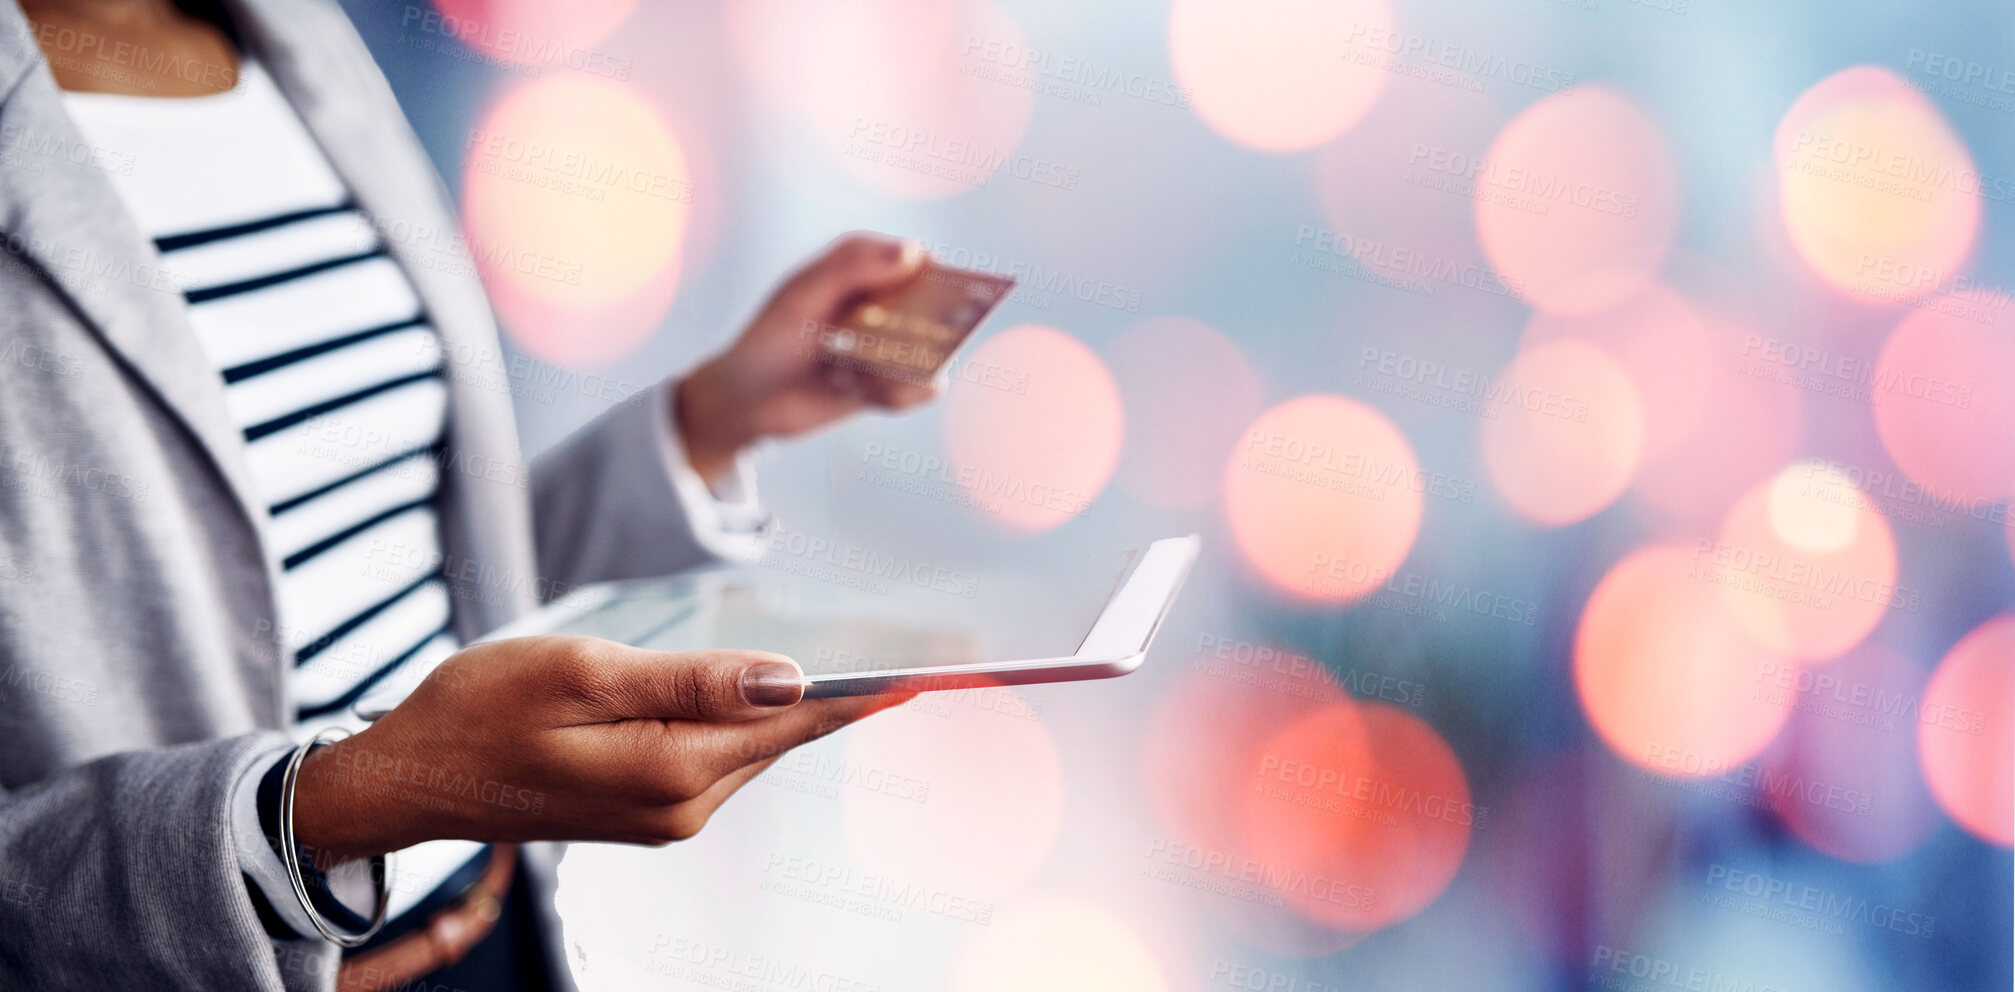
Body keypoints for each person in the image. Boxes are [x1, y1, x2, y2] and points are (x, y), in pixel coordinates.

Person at [0, 0, 936, 988]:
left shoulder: (296, 37)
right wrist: (347, 797)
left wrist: (711, 418)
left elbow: (432, 593)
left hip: (496, 933)